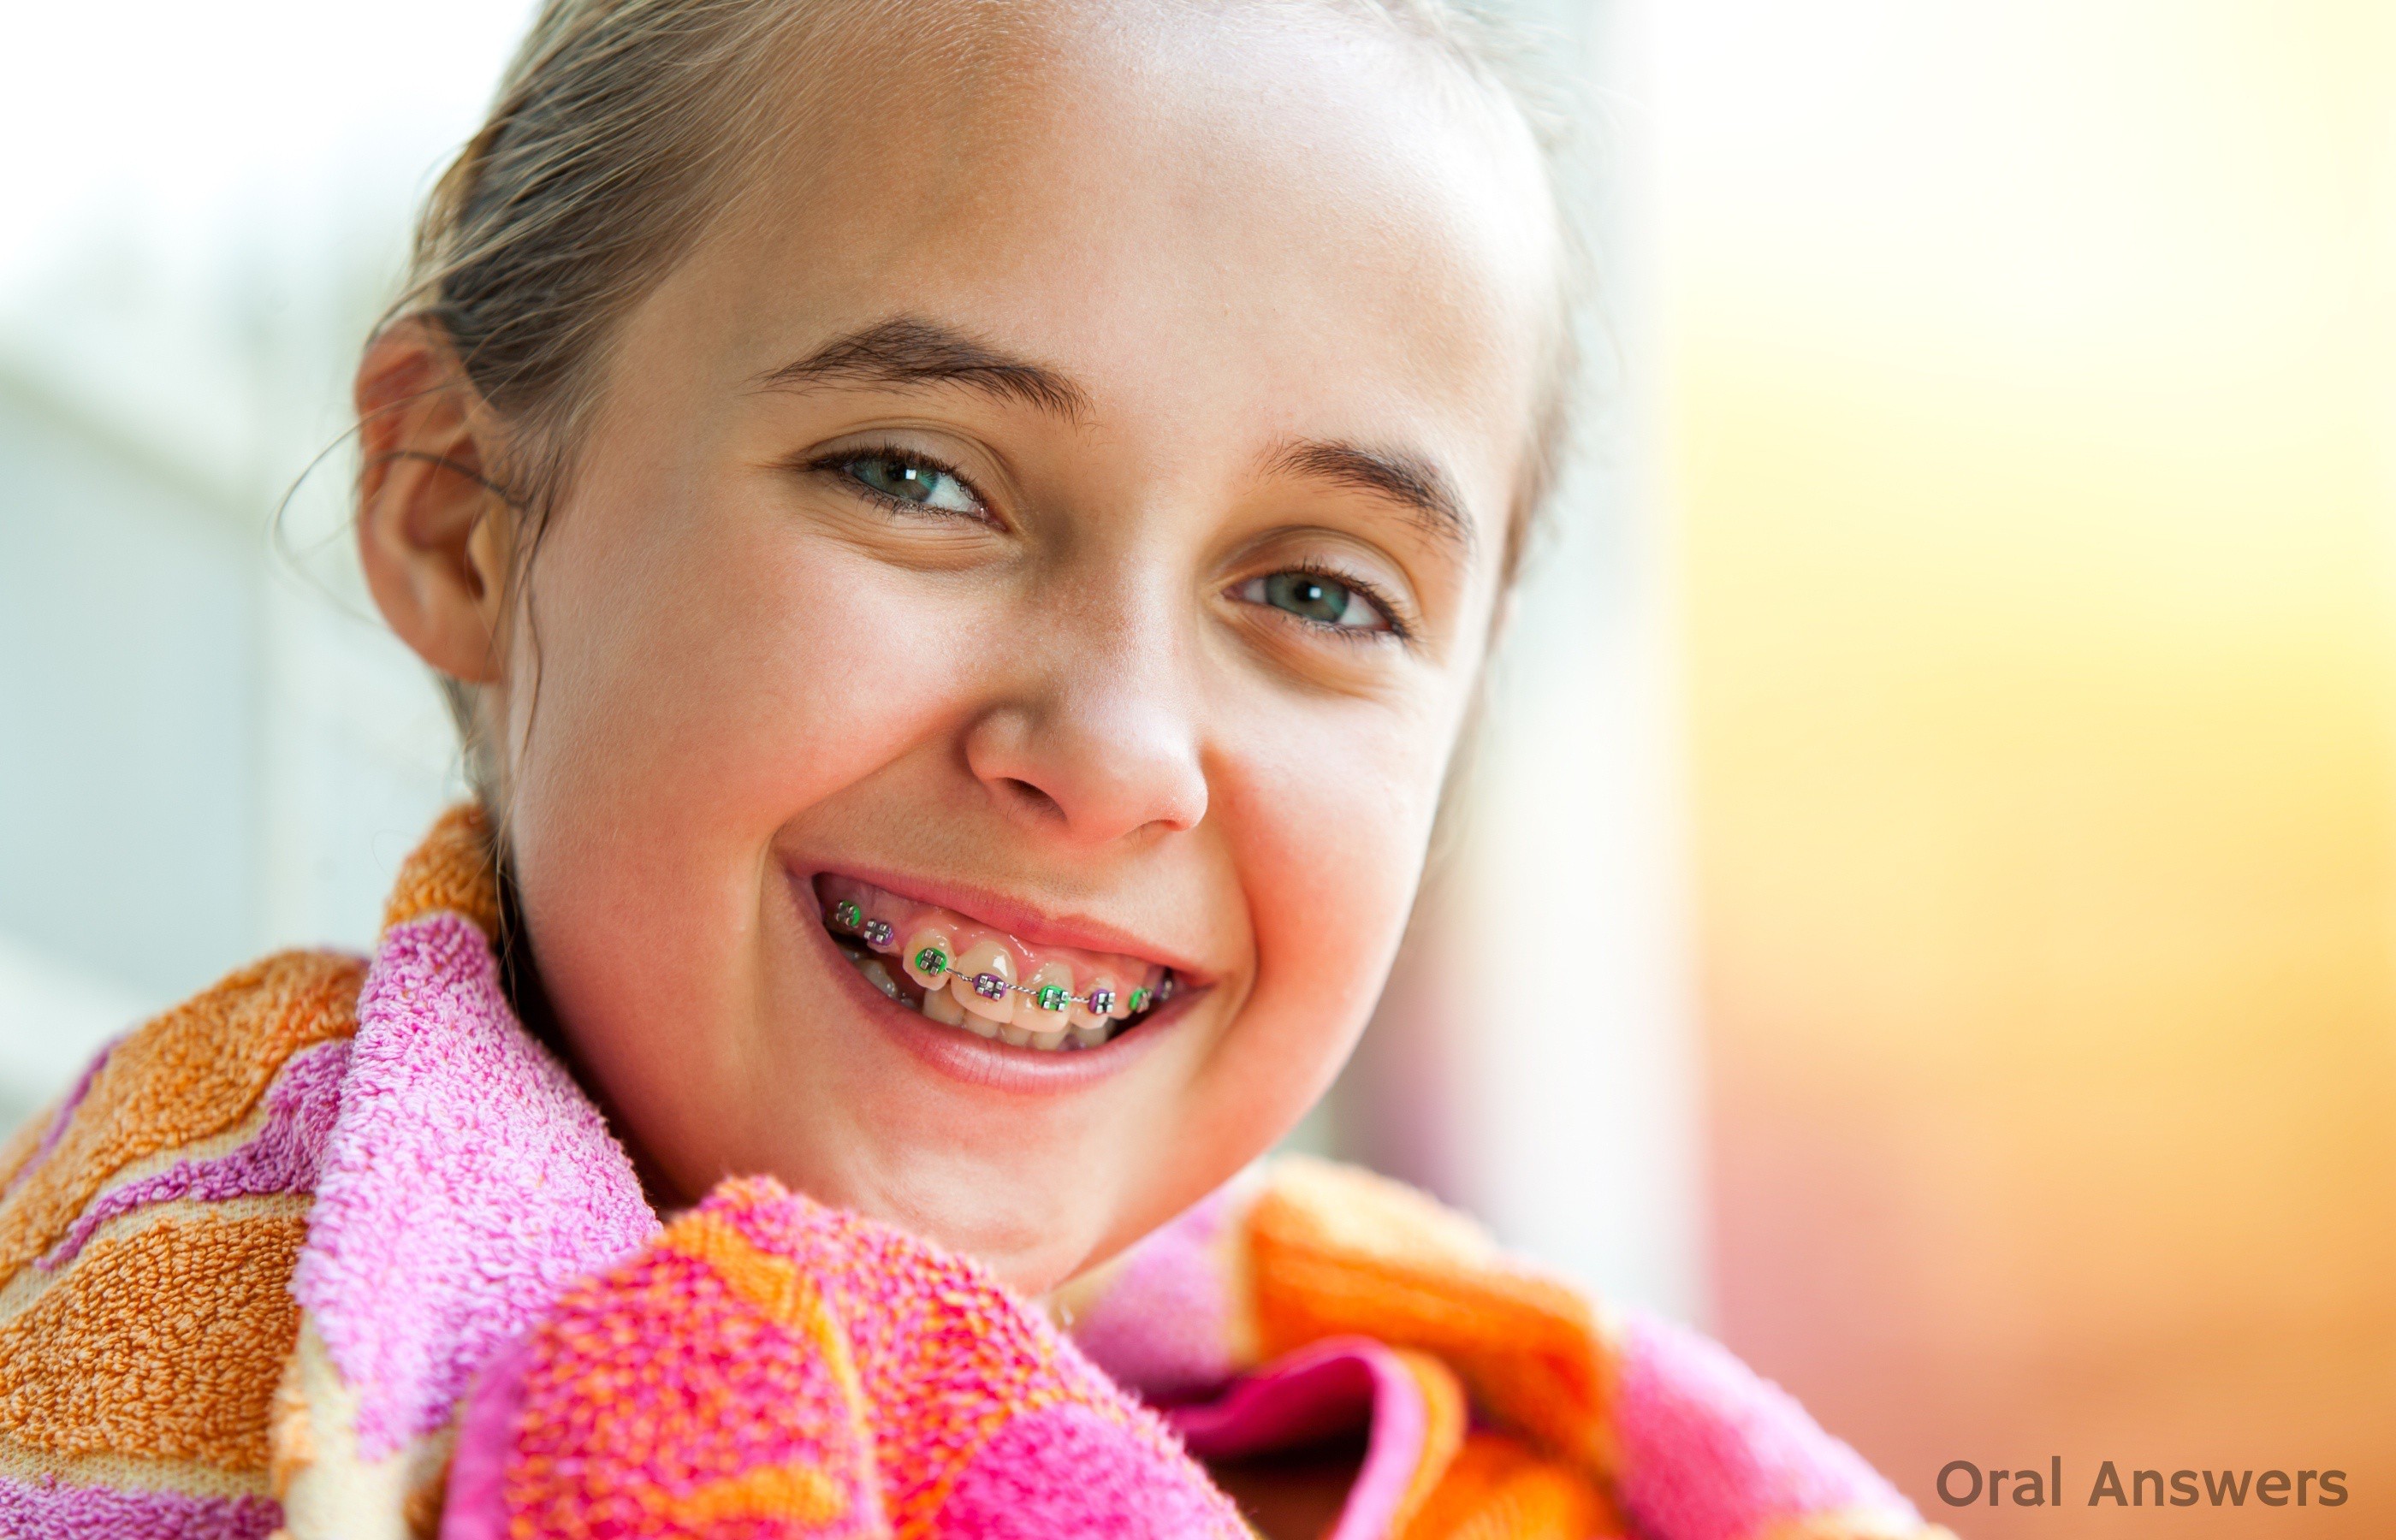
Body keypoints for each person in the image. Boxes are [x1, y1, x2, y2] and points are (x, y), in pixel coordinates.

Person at [0, 3, 1946, 1537]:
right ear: (458, 517)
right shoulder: (196, 1337)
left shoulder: (1492, 1460)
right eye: (918, 478)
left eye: (1316, 592)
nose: (1110, 756)